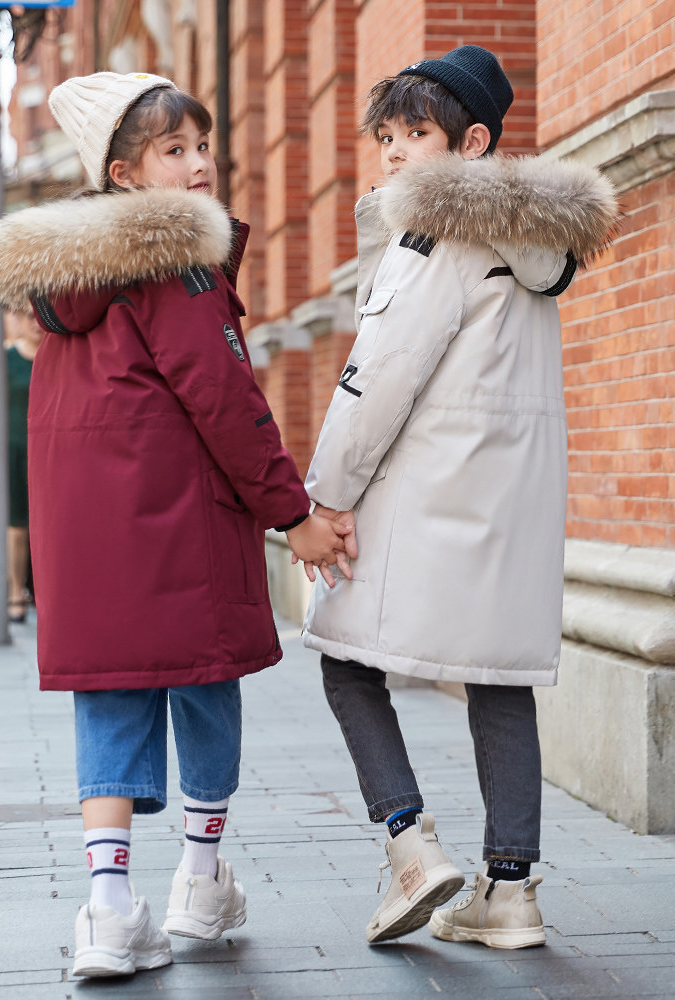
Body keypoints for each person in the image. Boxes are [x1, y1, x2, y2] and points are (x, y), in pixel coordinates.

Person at [0, 71, 353, 979]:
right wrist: (292, 515)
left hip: (90, 543)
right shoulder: (174, 263)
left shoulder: (64, 285)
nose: (200, 164)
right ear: (124, 174)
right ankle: (200, 877)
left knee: (109, 694)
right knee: (204, 681)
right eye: (174, 150)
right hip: (182, 525)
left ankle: (107, 910)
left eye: (202, 145)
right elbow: (226, 399)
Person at [299, 46, 618, 949]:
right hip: (507, 510)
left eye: (417, 133)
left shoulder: (436, 238)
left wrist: (324, 500)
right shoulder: (533, 246)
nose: (396, 152)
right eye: (387, 136)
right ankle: (510, 895)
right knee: (498, 678)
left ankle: (410, 847)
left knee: (344, 660)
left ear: (473, 143)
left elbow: (377, 381)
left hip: (422, 501)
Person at [4, 310, 44, 624]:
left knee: (52, 526)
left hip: (50, 452)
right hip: (15, 451)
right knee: (17, 526)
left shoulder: (58, 356)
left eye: (38, 315)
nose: (34, 321)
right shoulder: (6, 360)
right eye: (28, 315)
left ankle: (48, 595)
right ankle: (16, 592)